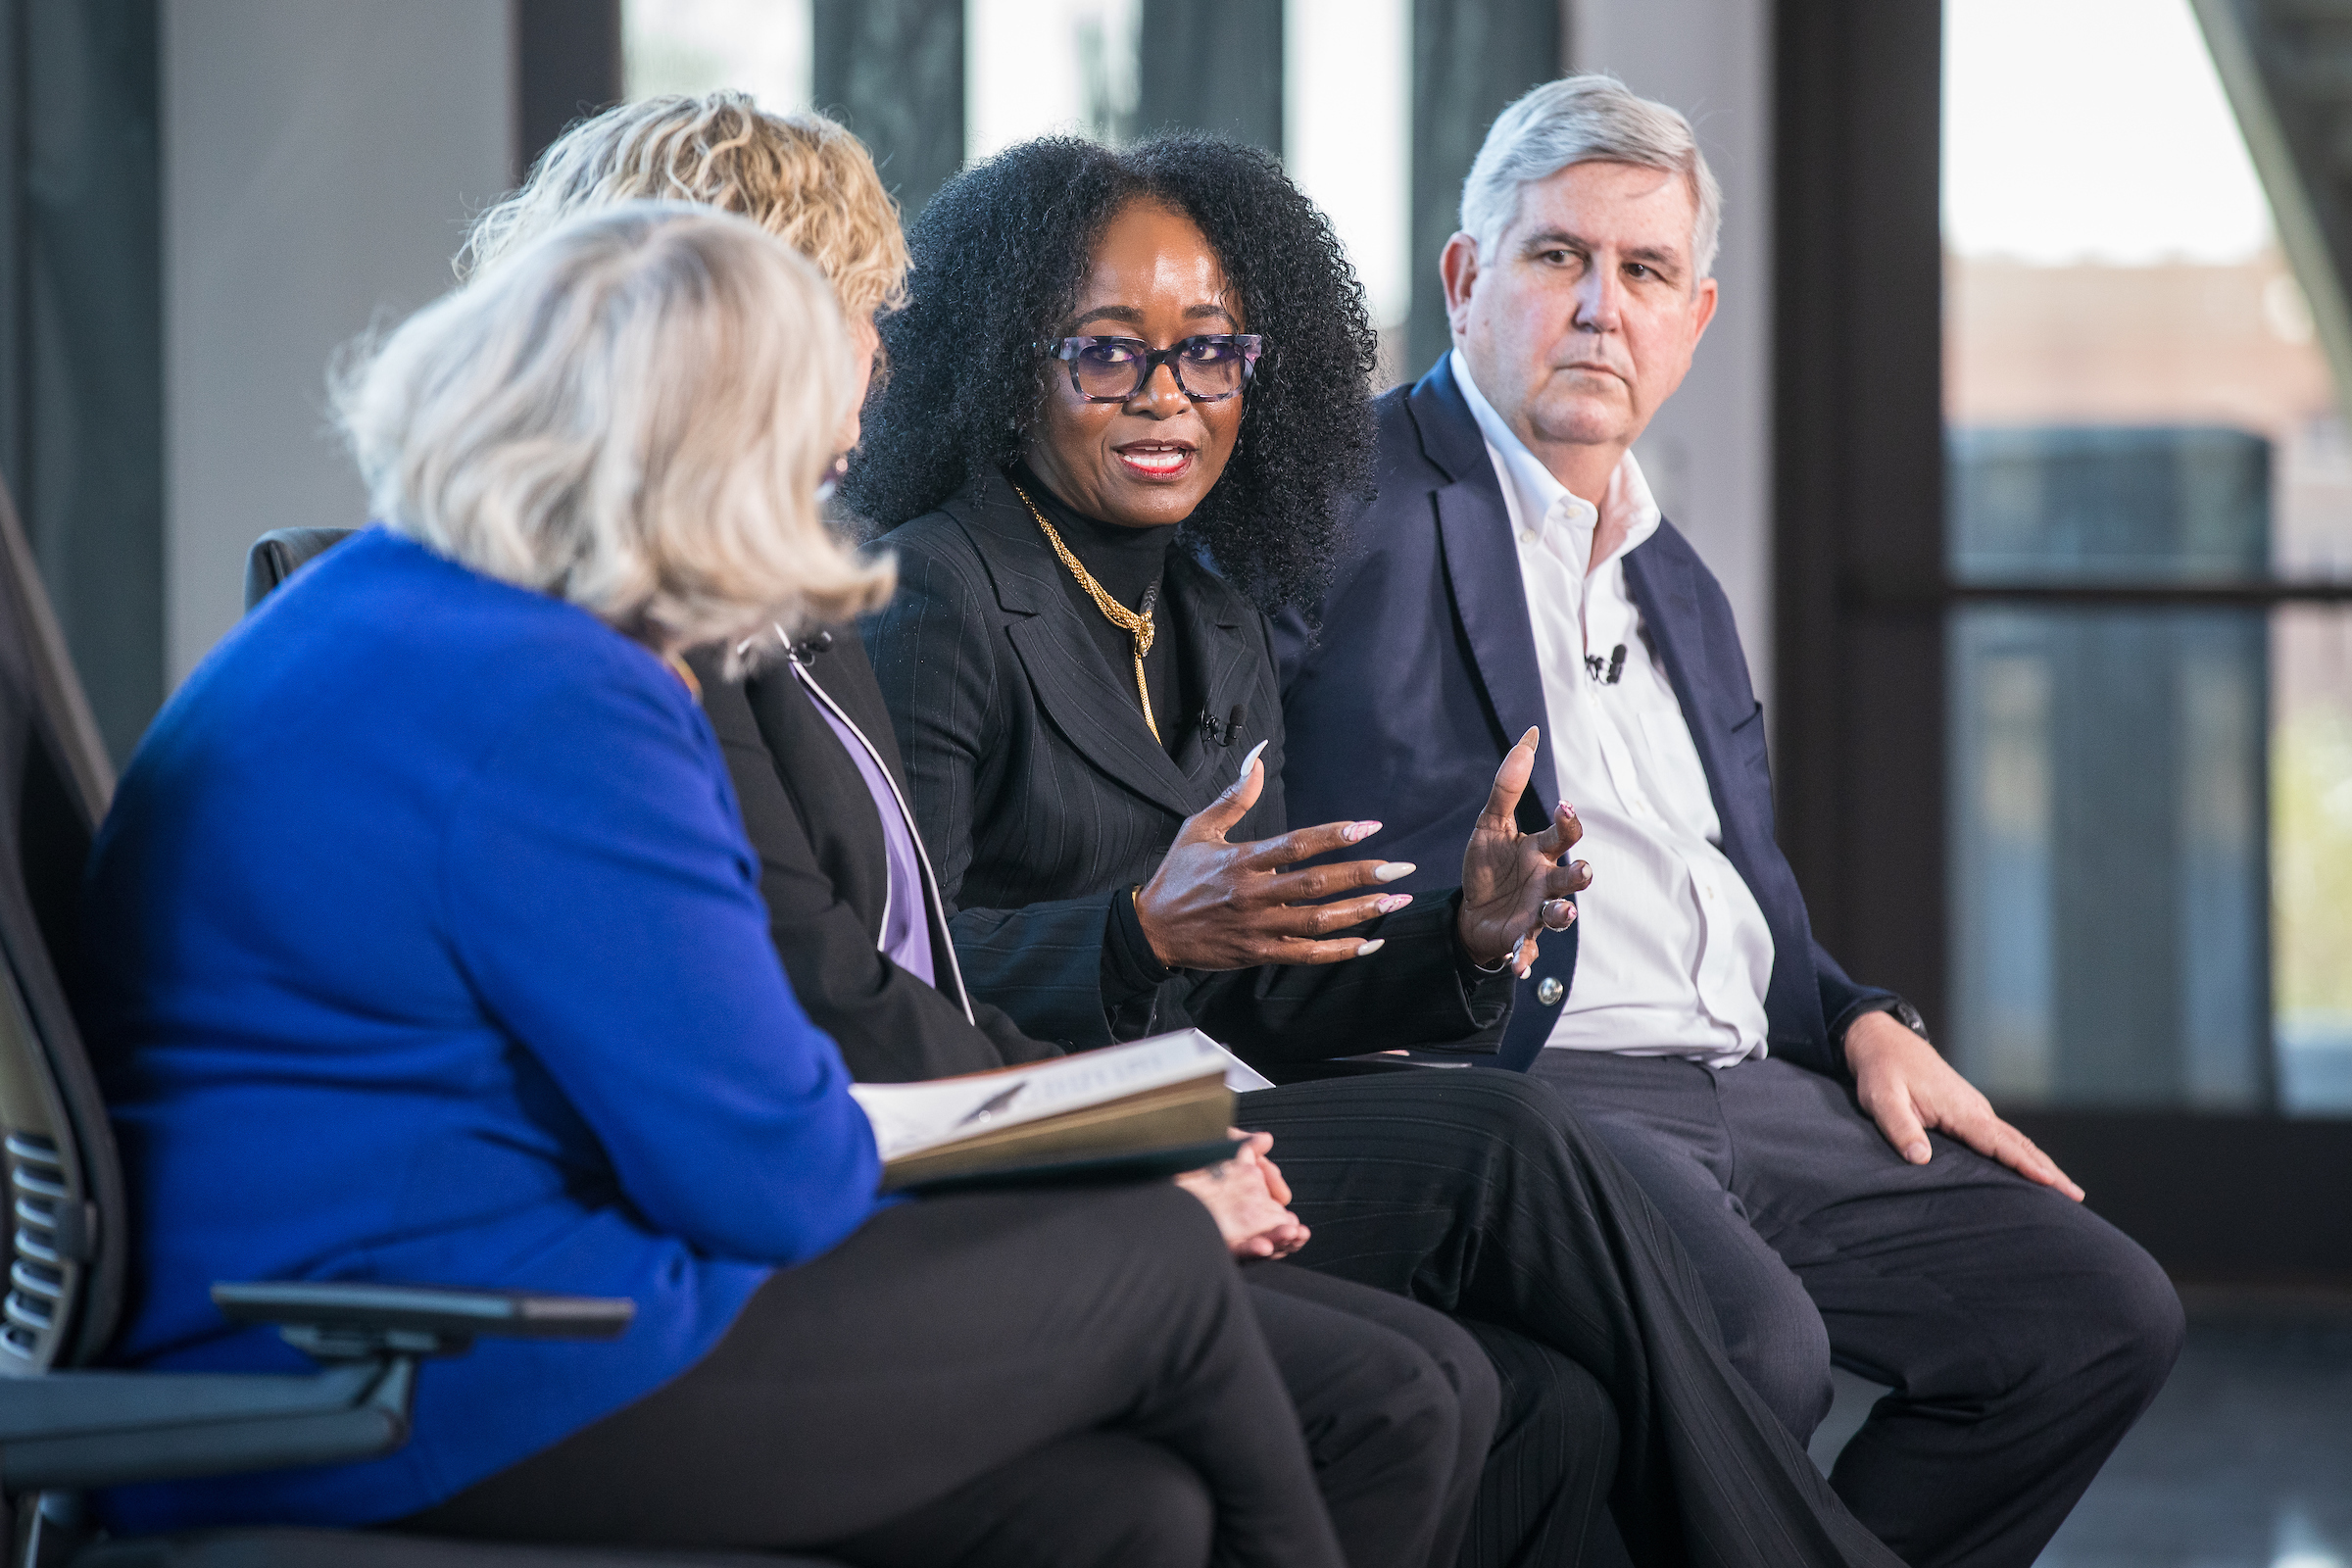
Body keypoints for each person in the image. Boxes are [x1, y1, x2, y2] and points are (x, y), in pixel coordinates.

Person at [74, 201, 1353, 1568]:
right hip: (417, 1358)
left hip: (388, 1315)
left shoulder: (404, 604)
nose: (841, 460)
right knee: (1156, 1270)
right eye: (810, 434)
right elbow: (769, 1176)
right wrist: (1114, 1156)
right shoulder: (557, 693)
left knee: (1122, 1516)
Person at [452, 93, 1497, 1568]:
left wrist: (1121, 1129)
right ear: (723, 336)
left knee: (1150, 1505)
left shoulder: (691, 614)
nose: (882, 369)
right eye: (860, 320)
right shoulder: (594, 644)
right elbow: (787, 1053)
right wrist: (1120, 1156)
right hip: (503, 1320)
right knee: (1359, 1381)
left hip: (668, 1231)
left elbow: (841, 994)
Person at [852, 130, 1909, 1568]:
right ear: (1005, 359)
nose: (1168, 398)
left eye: (1209, 354)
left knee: (1559, 1413)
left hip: (1198, 1101)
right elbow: (883, 970)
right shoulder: (940, 591)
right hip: (1033, 1129)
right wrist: (1136, 936)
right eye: (1109, 354)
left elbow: (1263, 989)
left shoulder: (1213, 615)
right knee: (1510, 1140)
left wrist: (1468, 942)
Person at [1273, 74, 2188, 1568]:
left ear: (1694, 321)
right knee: (1755, 1344)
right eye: (1557, 256)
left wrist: (1865, 1019)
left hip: (1759, 1086)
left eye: (1644, 274)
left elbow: (1733, 889)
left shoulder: (1674, 578)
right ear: (1464, 279)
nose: (1599, 309)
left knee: (2093, 1316)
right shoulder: (1341, 507)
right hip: (1538, 1088)